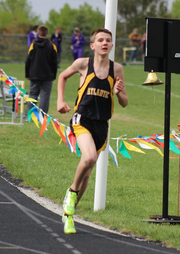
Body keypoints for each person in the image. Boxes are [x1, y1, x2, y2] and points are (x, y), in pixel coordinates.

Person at [57, 28, 128, 234]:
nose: (104, 43)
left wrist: (118, 93)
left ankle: (69, 215)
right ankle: (71, 193)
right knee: (88, 159)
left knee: (87, 173)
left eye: (108, 40)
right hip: (82, 119)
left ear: (112, 46)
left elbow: (124, 102)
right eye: (100, 40)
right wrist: (60, 100)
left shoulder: (118, 69)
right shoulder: (83, 64)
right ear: (93, 45)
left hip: (101, 125)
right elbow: (62, 76)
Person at [25, 25, 58, 116]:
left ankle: (29, 114)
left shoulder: (33, 44)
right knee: (45, 96)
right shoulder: (52, 45)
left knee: (33, 94)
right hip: (47, 75)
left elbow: (28, 60)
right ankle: (42, 115)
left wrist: (27, 74)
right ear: (47, 33)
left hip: (34, 74)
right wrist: (54, 75)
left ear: (38, 33)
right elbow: (54, 62)